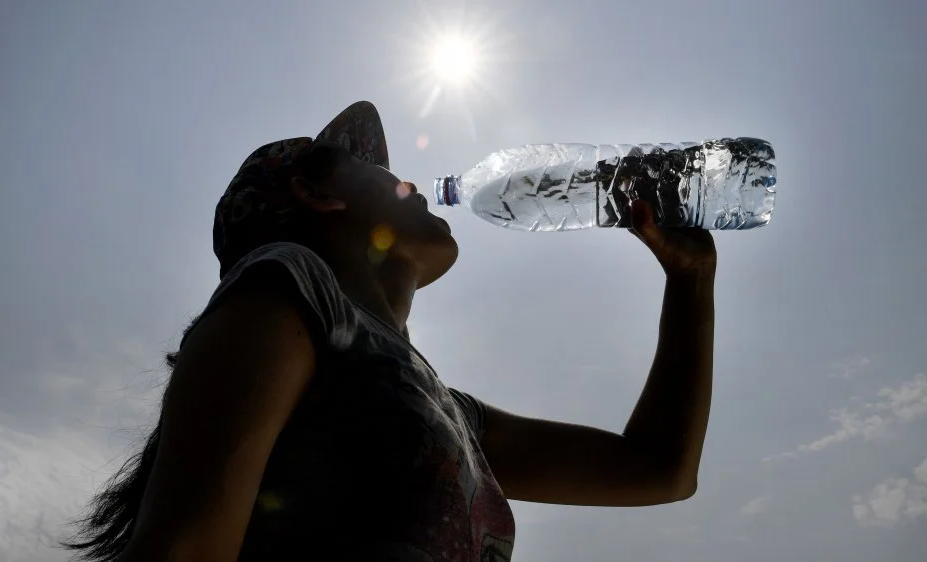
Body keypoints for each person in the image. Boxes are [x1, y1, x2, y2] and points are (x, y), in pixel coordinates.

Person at [62, 101, 716, 562]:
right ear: (318, 195)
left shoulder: (446, 408)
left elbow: (660, 471)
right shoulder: (287, 289)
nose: (410, 184)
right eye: (381, 173)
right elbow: (182, 551)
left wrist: (690, 279)